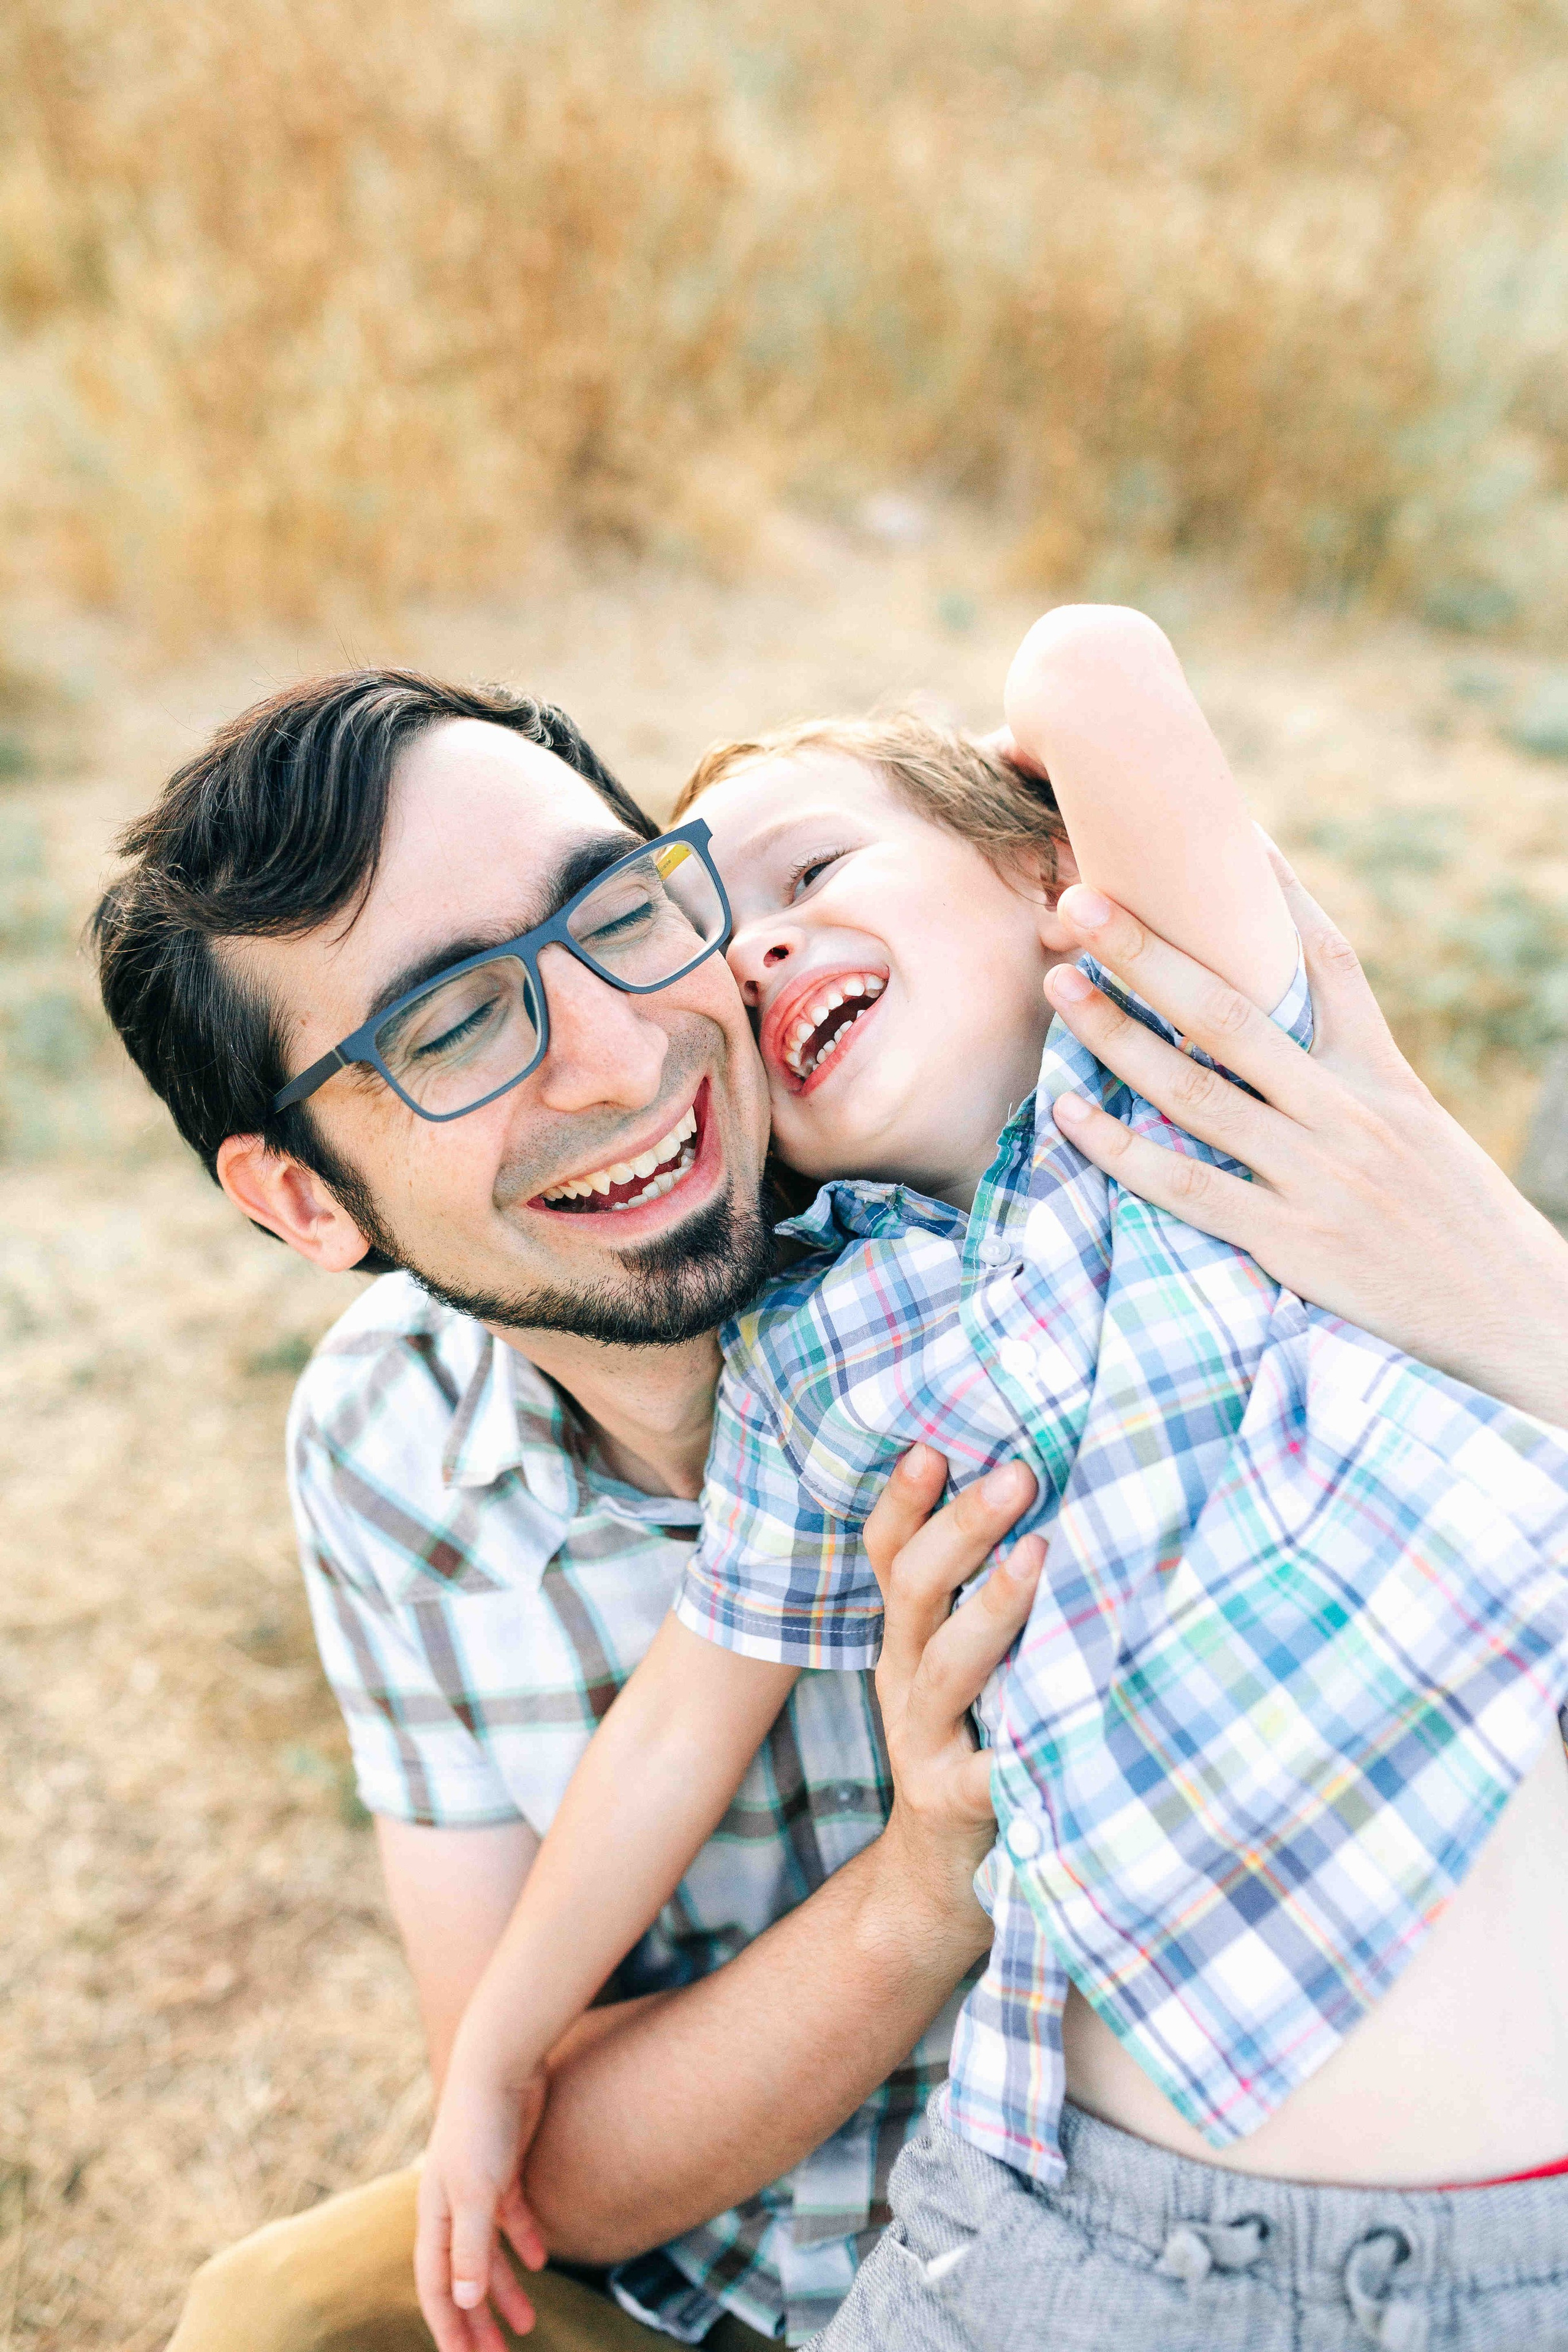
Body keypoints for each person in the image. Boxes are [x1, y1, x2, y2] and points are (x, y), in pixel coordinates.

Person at [91, 663, 1568, 2352]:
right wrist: (932, 1870)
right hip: (956, 2243)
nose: (623, 1049)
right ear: (300, 1197)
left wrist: (1527, 1308)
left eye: (621, 914)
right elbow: (544, 2171)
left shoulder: (1096, 1131)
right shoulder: (422, 1441)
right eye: (451, 1027)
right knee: (281, 2319)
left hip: (1346, 2152)